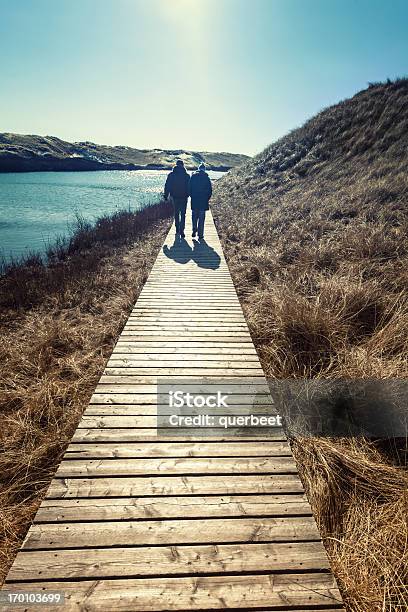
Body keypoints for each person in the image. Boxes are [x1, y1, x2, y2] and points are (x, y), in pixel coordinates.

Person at [164, 159, 190, 238]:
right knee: (183, 214)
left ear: (176, 165)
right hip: (184, 197)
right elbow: (189, 187)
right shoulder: (186, 175)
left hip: (174, 197)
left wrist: (166, 195)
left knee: (176, 213)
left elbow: (167, 185)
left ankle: (177, 229)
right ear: (183, 165)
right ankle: (182, 230)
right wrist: (189, 194)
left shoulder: (171, 175)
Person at [189, 162, 212, 240]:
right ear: (204, 169)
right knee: (202, 218)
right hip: (203, 201)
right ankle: (200, 234)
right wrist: (207, 199)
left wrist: (192, 196)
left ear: (198, 169)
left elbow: (189, 188)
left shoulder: (193, 177)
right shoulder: (207, 178)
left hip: (194, 200)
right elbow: (210, 191)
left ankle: (194, 229)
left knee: (194, 216)